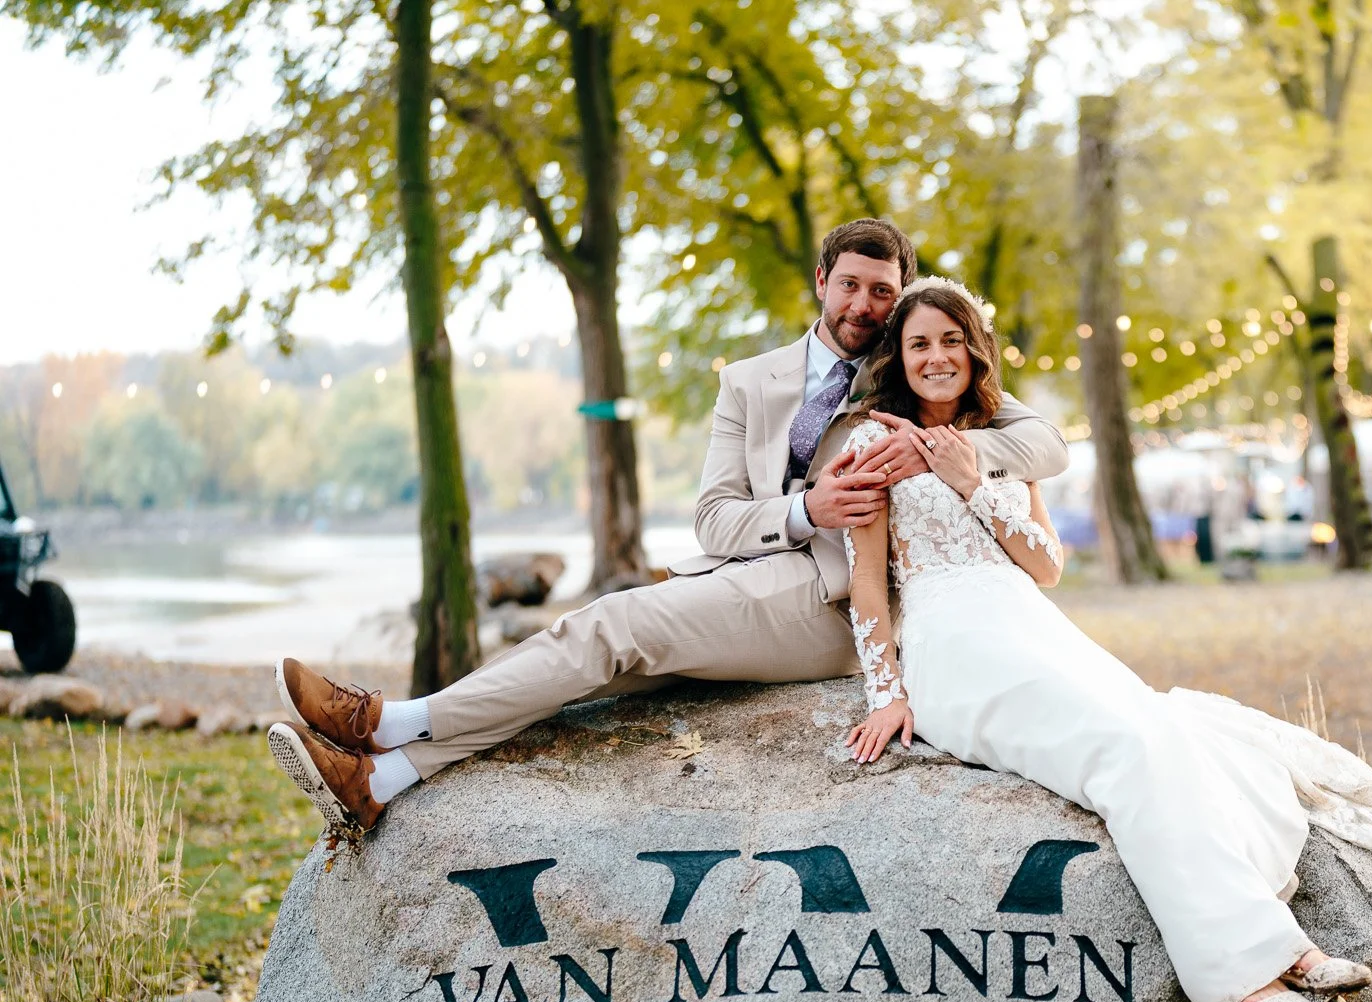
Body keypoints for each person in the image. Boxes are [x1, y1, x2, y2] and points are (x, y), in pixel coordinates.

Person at [263, 218, 1069, 832]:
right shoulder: (751, 383)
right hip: (754, 568)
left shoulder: (918, 370)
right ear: (821, 281)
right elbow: (714, 520)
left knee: (610, 623)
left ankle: (387, 719)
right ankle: (385, 779)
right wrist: (803, 508)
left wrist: (936, 452)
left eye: (882, 291)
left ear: (901, 298)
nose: (865, 304)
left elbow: (1044, 442)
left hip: (839, 597)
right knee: (595, 665)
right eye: (851, 285)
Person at [830, 277, 1372, 1002]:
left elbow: (1045, 565)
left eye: (952, 340)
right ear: (900, 357)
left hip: (1030, 625)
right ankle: (1250, 971)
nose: (937, 356)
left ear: (975, 352)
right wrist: (887, 692)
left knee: (1160, 732)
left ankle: (1292, 956)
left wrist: (973, 482)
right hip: (951, 640)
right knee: (1121, 746)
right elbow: (867, 586)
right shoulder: (873, 443)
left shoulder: (1005, 443)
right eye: (919, 343)